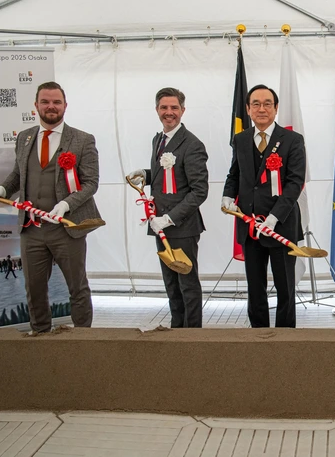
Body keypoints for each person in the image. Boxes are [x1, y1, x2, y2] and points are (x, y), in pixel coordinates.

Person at [0, 81, 101, 333]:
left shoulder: (82, 140)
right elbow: (18, 174)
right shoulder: (24, 138)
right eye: (46, 101)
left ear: (65, 106)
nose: (51, 107)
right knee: (34, 288)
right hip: (31, 229)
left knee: (77, 286)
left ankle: (85, 339)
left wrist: (66, 204)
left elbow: (91, 183)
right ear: (36, 105)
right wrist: (3, 189)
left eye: (56, 102)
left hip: (66, 229)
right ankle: (39, 336)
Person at [222, 84, 306, 328]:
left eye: (267, 103)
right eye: (256, 104)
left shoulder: (292, 140)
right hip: (250, 228)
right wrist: (228, 195)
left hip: (282, 227)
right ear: (248, 109)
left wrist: (274, 217)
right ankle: (258, 337)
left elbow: (295, 183)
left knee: (285, 288)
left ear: (276, 108)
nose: (262, 108)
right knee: (255, 287)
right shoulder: (240, 139)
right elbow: (234, 174)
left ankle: (285, 337)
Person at [126, 87, 209, 328]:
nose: (169, 112)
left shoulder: (193, 144)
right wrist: (148, 174)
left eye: (174, 108)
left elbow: (199, 191)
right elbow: (170, 176)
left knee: (187, 285)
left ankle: (191, 336)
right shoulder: (159, 139)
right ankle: (176, 333)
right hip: (159, 225)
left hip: (181, 227)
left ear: (183, 110)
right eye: (164, 108)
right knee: (171, 285)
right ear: (157, 110)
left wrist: (169, 218)